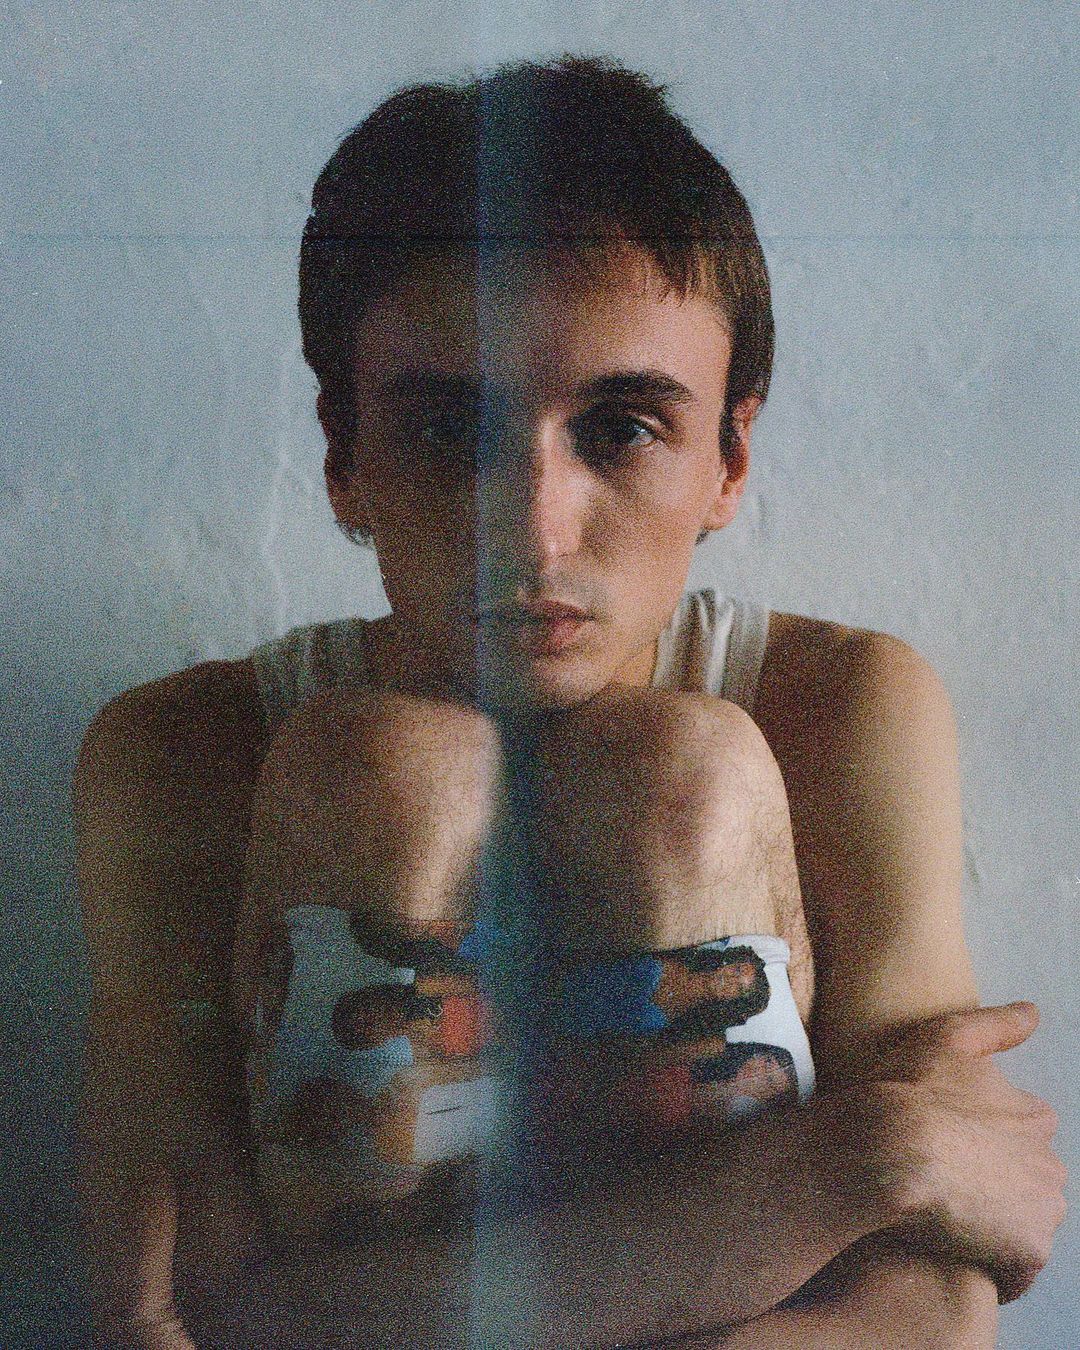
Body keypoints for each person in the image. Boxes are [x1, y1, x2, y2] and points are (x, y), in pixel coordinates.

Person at [74, 55, 1065, 1349]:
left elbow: (928, 1318)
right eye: (448, 430)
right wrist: (854, 1163)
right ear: (343, 455)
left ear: (731, 457)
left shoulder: (845, 708)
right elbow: (191, 1311)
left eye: (623, 427)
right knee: (381, 773)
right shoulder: (179, 751)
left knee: (683, 774)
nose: (535, 529)